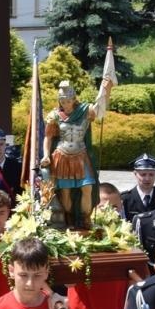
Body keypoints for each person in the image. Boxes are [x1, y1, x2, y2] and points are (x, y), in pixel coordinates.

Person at [40, 78, 113, 230]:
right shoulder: (54, 116)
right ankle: (70, 219)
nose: (65, 104)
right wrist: (46, 155)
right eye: (62, 101)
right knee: (65, 192)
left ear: (73, 99)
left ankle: (86, 219)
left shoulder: (86, 110)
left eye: (68, 100)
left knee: (87, 187)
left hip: (81, 155)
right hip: (62, 155)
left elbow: (100, 109)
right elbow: (48, 137)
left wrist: (106, 90)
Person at [120, 154, 155, 221]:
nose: (147, 178)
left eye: (151, 174)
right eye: (143, 174)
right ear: (135, 174)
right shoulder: (125, 199)